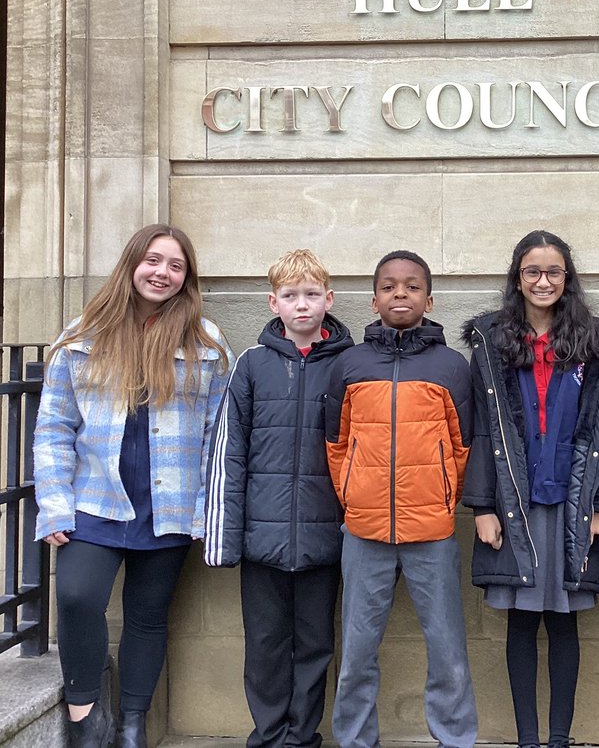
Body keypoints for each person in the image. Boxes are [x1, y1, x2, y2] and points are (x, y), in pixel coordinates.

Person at [33, 224, 232, 748]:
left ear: (187, 278)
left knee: (147, 616)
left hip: (169, 505)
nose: (162, 273)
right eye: (153, 260)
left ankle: (131, 725)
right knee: (76, 597)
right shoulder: (80, 338)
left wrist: (206, 511)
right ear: (132, 265)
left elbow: (217, 436)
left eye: (175, 265)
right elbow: (53, 427)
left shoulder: (206, 344)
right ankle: (85, 717)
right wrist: (53, 505)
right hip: (94, 501)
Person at [462, 230, 599, 748]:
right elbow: (481, 429)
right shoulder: (491, 342)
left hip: (571, 503)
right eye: (532, 271)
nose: (543, 281)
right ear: (517, 277)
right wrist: (483, 506)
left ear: (567, 278)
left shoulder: (593, 341)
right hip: (513, 502)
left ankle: (559, 738)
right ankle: (527, 739)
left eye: (553, 272)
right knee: (520, 621)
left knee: (564, 622)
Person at [325, 250, 477, 748]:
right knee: (356, 652)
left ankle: (454, 738)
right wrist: (354, 498)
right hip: (364, 532)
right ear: (373, 300)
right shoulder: (350, 365)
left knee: (448, 649)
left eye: (411, 286)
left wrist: (441, 498)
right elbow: (336, 444)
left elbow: (462, 446)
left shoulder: (451, 366)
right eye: (389, 286)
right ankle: (354, 740)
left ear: (429, 299)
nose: (400, 294)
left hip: (431, 532)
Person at [202, 249, 354, 748]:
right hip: (261, 541)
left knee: (315, 646)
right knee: (265, 646)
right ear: (273, 303)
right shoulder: (251, 364)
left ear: (329, 299)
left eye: (312, 295)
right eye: (291, 296)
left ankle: (302, 737)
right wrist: (224, 540)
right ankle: (268, 737)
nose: (302, 305)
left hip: (324, 538)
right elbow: (229, 453)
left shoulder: (348, 365)